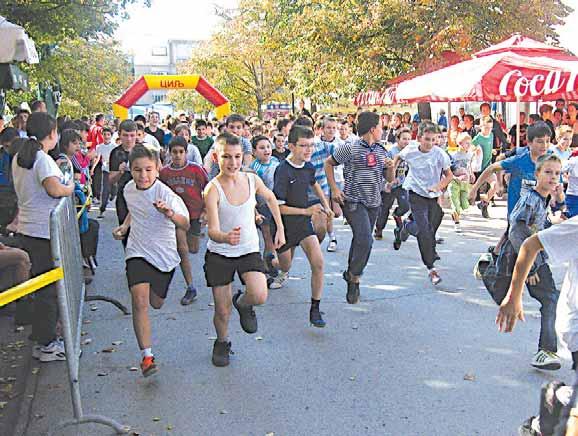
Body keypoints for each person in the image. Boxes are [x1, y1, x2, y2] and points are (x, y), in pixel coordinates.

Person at [203, 133, 284, 367]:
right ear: (217, 157)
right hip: (220, 253)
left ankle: (244, 303)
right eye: (227, 157)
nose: (233, 162)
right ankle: (222, 342)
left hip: (248, 250)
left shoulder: (251, 179)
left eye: (237, 156)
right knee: (222, 309)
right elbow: (212, 229)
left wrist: (280, 228)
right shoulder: (213, 189)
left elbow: (270, 198)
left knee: (259, 294)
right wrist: (225, 237)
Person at [112, 146, 189, 377]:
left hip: (164, 257)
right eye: (137, 170)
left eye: (148, 169)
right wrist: (124, 227)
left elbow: (185, 223)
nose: (143, 175)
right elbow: (134, 210)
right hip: (137, 252)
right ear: (131, 171)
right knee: (139, 301)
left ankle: (147, 352)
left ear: (157, 169)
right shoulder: (128, 189)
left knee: (156, 303)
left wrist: (169, 214)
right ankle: (147, 356)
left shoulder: (166, 194)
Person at [12, 112, 75, 362]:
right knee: (48, 290)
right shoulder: (42, 159)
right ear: (52, 133)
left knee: (41, 287)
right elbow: (54, 188)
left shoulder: (19, 157)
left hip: (28, 229)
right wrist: (69, 187)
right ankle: (48, 343)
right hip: (43, 233)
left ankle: (41, 338)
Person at [497, 155, 565, 371]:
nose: (553, 177)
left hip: (537, 258)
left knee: (551, 299)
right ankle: (546, 350)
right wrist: (531, 267)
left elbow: (544, 225)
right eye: (548, 172)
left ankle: (546, 350)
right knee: (551, 299)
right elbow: (516, 230)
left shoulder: (544, 199)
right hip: (531, 261)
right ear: (537, 174)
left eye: (556, 173)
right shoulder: (531, 199)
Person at [325, 111, 393, 302]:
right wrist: (334, 189)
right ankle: (354, 277)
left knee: (361, 240)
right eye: (380, 127)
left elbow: (389, 179)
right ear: (372, 129)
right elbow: (328, 164)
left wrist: (391, 166)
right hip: (354, 201)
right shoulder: (351, 147)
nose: (382, 131)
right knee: (365, 239)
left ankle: (351, 275)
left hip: (374, 202)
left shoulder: (381, 150)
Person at [269, 125, 332, 327]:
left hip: (303, 224)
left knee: (318, 263)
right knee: (284, 266)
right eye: (303, 146)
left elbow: (314, 183)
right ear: (291, 146)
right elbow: (278, 208)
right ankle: (271, 263)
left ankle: (315, 308)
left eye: (311, 146)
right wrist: (307, 211)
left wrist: (325, 204)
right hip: (283, 225)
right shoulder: (282, 171)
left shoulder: (308, 166)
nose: (308, 150)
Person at [392, 121, 453, 285]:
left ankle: (406, 227)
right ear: (419, 138)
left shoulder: (440, 154)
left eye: (434, 140)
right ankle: (431, 268)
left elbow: (449, 176)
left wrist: (437, 186)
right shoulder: (411, 150)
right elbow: (397, 158)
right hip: (415, 193)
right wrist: (392, 178)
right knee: (424, 230)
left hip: (432, 194)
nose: (430, 143)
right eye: (427, 139)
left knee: (436, 218)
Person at [159, 136, 209, 306]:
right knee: (182, 249)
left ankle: (188, 248)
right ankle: (191, 287)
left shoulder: (196, 170)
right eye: (174, 152)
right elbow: (159, 191)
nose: (178, 155)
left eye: (181, 152)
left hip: (194, 214)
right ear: (169, 153)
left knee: (192, 248)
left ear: (187, 153)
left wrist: (206, 210)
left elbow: (208, 189)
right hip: (176, 215)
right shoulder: (164, 173)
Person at [249, 135, 281, 275]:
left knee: (276, 235)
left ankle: (269, 260)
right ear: (254, 152)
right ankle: (269, 265)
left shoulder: (276, 161)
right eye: (262, 148)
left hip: (277, 204)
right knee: (267, 236)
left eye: (268, 147)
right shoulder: (254, 168)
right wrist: (255, 210)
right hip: (262, 206)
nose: (266, 150)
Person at [373, 127, 411, 244]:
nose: (406, 142)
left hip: (400, 184)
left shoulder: (409, 152)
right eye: (404, 139)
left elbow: (408, 169)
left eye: (409, 139)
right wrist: (386, 184)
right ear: (398, 139)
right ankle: (379, 229)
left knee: (405, 205)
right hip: (388, 185)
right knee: (384, 209)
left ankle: (397, 214)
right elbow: (381, 170)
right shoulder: (391, 152)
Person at [311, 117, 340, 251]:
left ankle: (325, 233)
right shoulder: (315, 143)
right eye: (328, 128)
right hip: (319, 182)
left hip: (336, 181)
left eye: (334, 128)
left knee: (336, 212)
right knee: (326, 211)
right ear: (322, 129)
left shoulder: (340, 143)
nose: (331, 130)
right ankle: (331, 237)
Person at [109, 120, 138, 246]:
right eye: (125, 135)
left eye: (132, 135)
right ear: (119, 135)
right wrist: (120, 172)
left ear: (137, 134)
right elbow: (111, 179)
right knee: (125, 234)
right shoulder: (115, 153)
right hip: (123, 196)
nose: (129, 139)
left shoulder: (143, 150)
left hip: (142, 194)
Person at [449, 132, 479, 233]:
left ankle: (456, 215)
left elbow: (469, 165)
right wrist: (454, 176)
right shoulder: (454, 155)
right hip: (454, 182)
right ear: (460, 143)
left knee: (464, 204)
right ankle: (456, 223)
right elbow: (449, 168)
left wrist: (471, 174)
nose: (469, 145)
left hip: (465, 182)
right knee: (455, 204)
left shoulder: (470, 154)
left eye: (470, 143)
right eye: (467, 143)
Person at [472, 116, 498, 218]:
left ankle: (484, 203)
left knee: (495, 186)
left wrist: (492, 151)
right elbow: (470, 146)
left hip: (488, 167)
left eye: (490, 128)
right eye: (486, 128)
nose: (488, 130)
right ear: (481, 126)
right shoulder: (478, 138)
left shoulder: (491, 135)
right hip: (478, 169)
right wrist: (474, 149)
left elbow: (488, 147)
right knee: (472, 192)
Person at [93, 127, 116, 218]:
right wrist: (93, 168)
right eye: (104, 134)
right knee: (105, 190)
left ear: (111, 136)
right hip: (105, 170)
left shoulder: (114, 146)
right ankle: (102, 210)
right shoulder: (100, 146)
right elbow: (98, 158)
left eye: (108, 135)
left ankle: (113, 194)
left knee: (114, 187)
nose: (106, 136)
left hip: (113, 170)